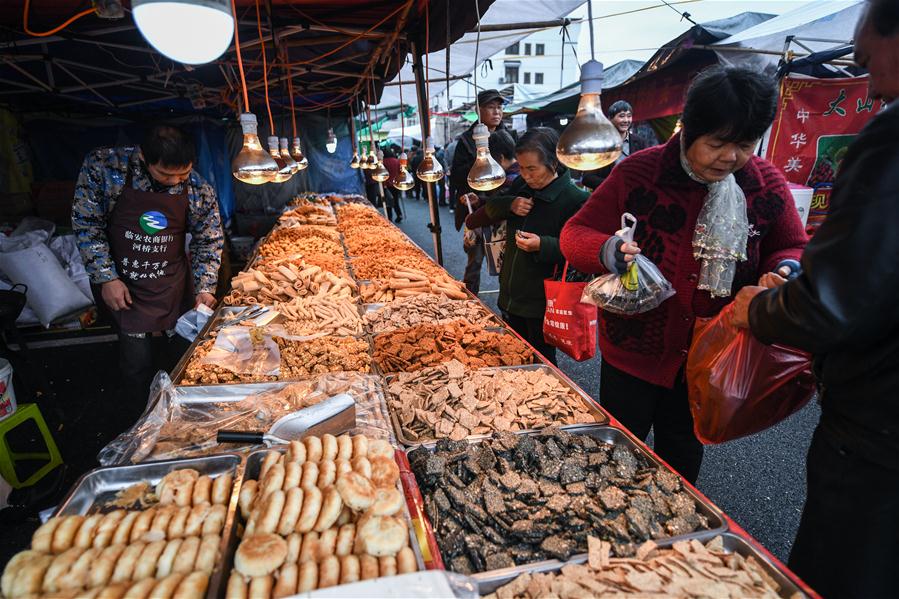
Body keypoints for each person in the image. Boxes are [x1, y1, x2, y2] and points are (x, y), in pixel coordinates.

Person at [559, 66, 808, 484]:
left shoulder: (765, 185)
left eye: (744, 145)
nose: (730, 158)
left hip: (708, 357)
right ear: (689, 129)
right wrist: (607, 250)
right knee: (614, 461)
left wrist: (784, 268)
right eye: (716, 144)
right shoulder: (639, 172)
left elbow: (791, 244)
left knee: (680, 462)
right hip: (631, 355)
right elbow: (574, 233)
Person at [731, 2, 899, 595]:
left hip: (879, 430)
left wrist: (761, 305)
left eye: (864, 48)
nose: (858, 63)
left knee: (844, 572)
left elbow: (828, 299)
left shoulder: (891, 138)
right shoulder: (642, 171)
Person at [72, 123, 224, 405]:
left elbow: (208, 239)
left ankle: (178, 415)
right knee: (137, 361)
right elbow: (86, 225)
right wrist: (107, 278)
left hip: (171, 282)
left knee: (182, 355)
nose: (176, 181)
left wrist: (206, 287)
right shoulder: (105, 168)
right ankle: (138, 424)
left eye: (184, 173)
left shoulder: (197, 188)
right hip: (125, 284)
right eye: (166, 174)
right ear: (143, 156)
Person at [481, 127, 588, 365]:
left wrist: (543, 245)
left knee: (541, 361)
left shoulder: (575, 200)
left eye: (532, 168)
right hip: (510, 291)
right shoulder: (521, 186)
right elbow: (489, 208)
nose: (526, 175)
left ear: (553, 162)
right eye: (521, 168)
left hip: (542, 301)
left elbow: (581, 251)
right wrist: (511, 203)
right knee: (510, 354)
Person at [451, 89, 516, 293]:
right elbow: (457, 176)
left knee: (506, 260)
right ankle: (471, 298)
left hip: (504, 208)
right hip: (476, 209)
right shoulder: (465, 140)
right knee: (475, 259)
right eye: (490, 107)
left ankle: (507, 300)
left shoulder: (510, 136)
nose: (496, 112)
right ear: (479, 111)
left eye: (499, 107)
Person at [581, 100, 654, 190]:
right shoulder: (599, 144)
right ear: (610, 119)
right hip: (608, 197)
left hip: (634, 196)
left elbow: (648, 171)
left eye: (629, 116)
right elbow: (587, 178)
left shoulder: (640, 143)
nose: (626, 120)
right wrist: (614, 186)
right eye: (622, 116)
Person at [461, 128, 520, 229]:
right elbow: (500, 201)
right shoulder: (516, 172)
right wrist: (480, 200)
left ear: (501, 158)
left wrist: (471, 220)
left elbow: (495, 208)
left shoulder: (511, 180)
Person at [381, 148, 403, 222]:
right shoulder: (397, 161)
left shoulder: (383, 162)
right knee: (396, 201)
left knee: (388, 201)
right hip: (396, 184)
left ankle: (389, 217)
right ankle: (399, 214)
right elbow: (400, 172)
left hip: (386, 185)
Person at [444, 137, 459, 212]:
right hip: (459, 170)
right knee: (459, 189)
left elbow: (445, 159)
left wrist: (447, 169)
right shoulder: (460, 145)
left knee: (451, 189)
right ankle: (458, 205)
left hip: (450, 171)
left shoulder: (449, 146)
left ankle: (451, 206)